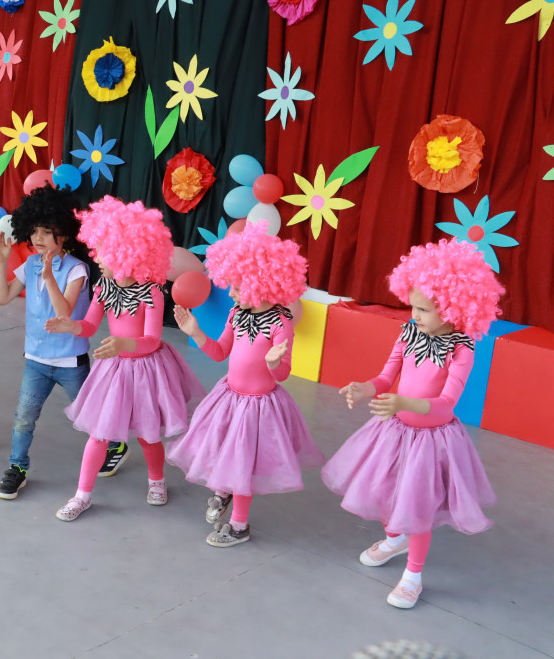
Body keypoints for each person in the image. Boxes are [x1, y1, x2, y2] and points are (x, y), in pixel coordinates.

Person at [321, 239, 503, 610]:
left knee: (418, 507)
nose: (414, 314)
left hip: (432, 438)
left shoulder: (462, 348)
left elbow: (447, 403)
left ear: (452, 308)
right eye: (413, 306)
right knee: (387, 491)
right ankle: (394, 538)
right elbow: (388, 376)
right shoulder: (408, 332)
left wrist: (405, 402)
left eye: (423, 309)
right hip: (395, 431)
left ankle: (413, 575)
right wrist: (365, 386)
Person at [45, 197, 204, 522]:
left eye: (104, 252)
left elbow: (151, 340)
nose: (97, 258)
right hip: (114, 368)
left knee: (148, 434)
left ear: (128, 254)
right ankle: (82, 495)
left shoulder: (152, 293)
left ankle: (157, 481)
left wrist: (123, 343)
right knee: (99, 435)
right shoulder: (104, 287)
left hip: (146, 368)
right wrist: (71, 325)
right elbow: (89, 325)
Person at [166, 222, 324, 547]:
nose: (232, 293)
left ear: (261, 283)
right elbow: (220, 352)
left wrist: (273, 363)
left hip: (258, 406)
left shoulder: (280, 324)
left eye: (237, 287)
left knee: (244, 463)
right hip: (229, 397)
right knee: (224, 449)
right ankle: (223, 491)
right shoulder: (237, 313)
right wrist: (196, 332)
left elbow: (282, 374)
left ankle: (239, 526)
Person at [0, 186, 91, 500]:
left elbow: (65, 314)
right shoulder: (30, 264)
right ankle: (17, 467)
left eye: (48, 231)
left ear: (65, 233)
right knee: (24, 417)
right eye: (34, 231)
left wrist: (49, 277)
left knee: (89, 415)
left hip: (70, 360)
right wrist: (1, 261)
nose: (38, 238)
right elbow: (3, 297)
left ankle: (114, 444)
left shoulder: (77, 269)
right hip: (36, 358)